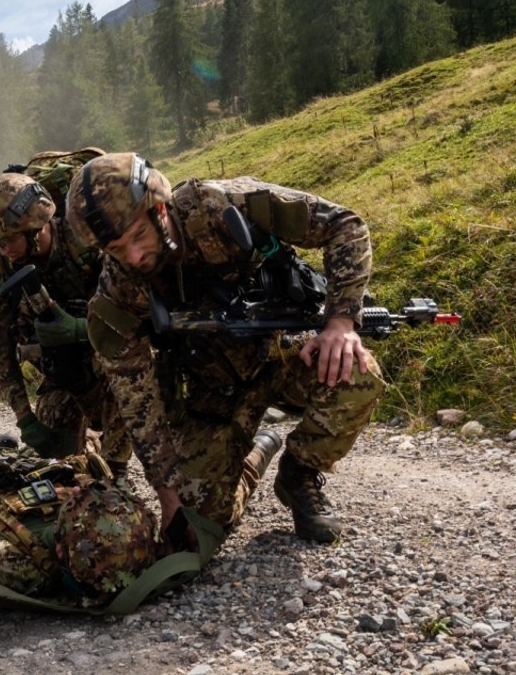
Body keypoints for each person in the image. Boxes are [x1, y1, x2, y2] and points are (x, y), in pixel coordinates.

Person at [66, 152, 385, 544]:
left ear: (159, 208)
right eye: (116, 248)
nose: (133, 256)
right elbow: (137, 405)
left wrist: (340, 323)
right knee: (203, 520)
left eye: (137, 236)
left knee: (355, 373)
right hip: (211, 392)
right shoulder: (117, 295)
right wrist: (169, 499)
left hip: (285, 355)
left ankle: (299, 473)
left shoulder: (223, 206)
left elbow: (345, 226)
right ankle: (256, 456)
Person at [0, 171, 132, 471]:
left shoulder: (88, 242)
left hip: (118, 358)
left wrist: (81, 329)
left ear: (36, 224)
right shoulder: (0, 276)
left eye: (9, 239)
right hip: (63, 373)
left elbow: (137, 314)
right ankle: (89, 444)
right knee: (56, 457)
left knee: (113, 458)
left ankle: (117, 467)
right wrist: (25, 419)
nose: (4, 250)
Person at [0, 438, 159, 608]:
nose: (74, 491)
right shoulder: (135, 529)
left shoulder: (4, 559)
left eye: (74, 498)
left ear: (59, 551)